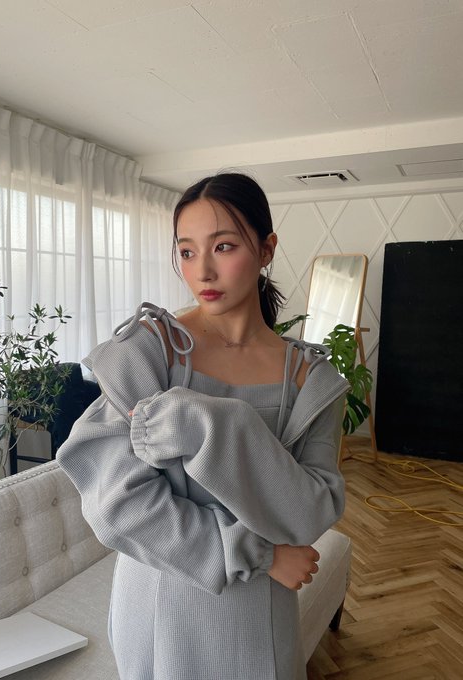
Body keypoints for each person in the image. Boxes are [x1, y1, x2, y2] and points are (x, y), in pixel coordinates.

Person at [57, 172, 349, 680]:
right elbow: (116, 505)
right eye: (187, 252)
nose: (203, 271)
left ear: (266, 249)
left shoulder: (310, 379)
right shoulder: (148, 352)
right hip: (159, 600)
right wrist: (258, 552)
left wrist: (219, 423)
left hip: (260, 616)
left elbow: (310, 513)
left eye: (224, 246)